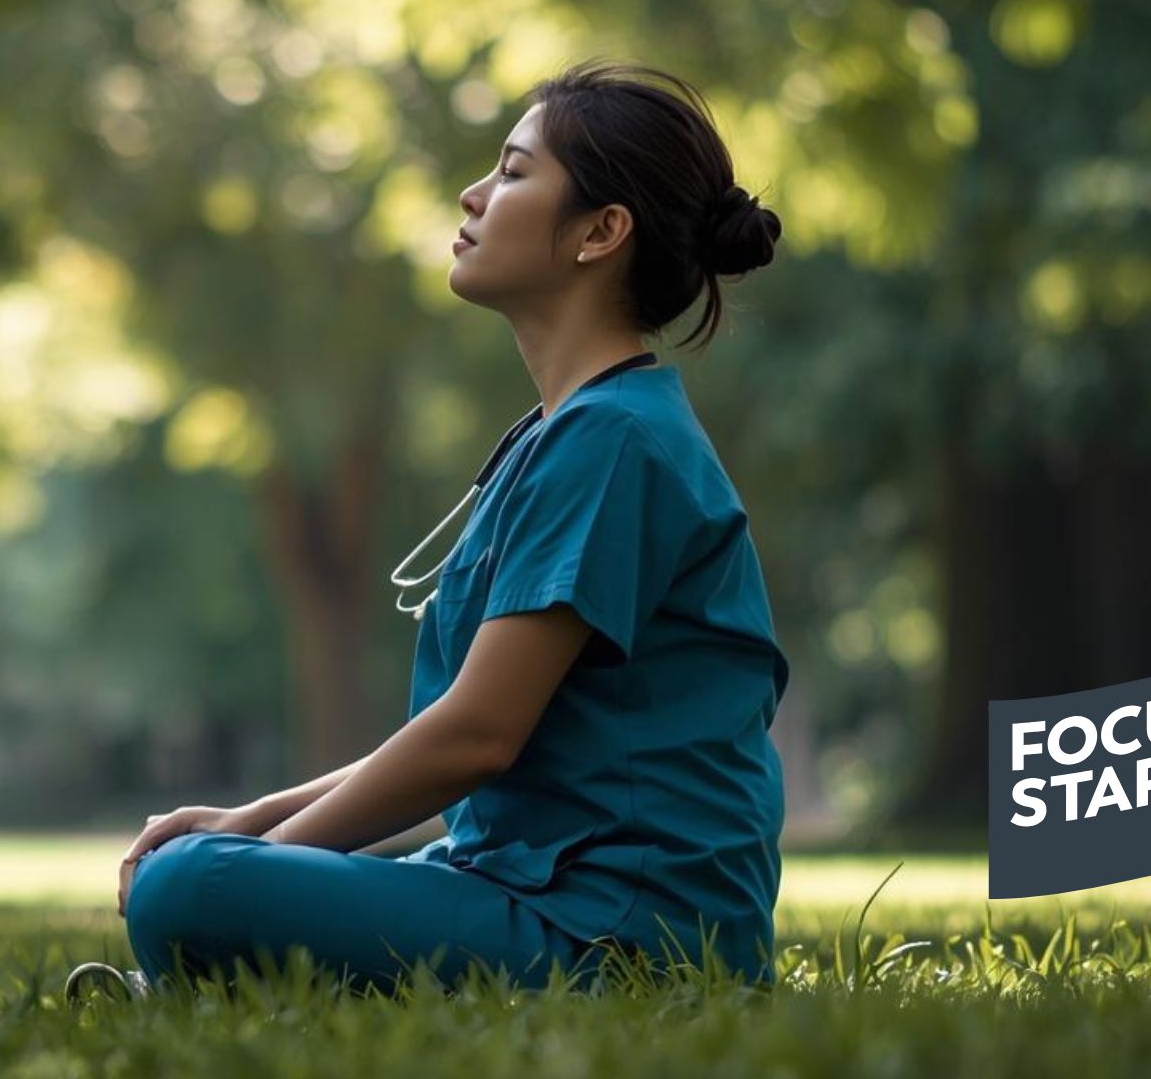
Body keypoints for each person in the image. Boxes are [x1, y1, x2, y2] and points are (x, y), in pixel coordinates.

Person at [84, 58, 790, 1003]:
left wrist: (247, 869)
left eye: (511, 171)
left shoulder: (616, 440)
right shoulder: (567, 435)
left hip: (627, 935)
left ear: (600, 232)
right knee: (209, 865)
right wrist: (250, 821)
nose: (472, 192)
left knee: (188, 886)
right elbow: (456, 735)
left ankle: (204, 971)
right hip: (527, 889)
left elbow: (475, 738)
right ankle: (226, 974)